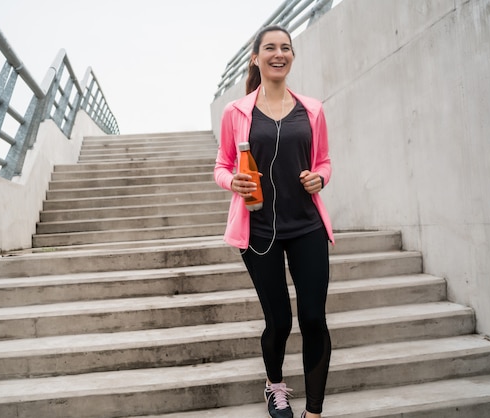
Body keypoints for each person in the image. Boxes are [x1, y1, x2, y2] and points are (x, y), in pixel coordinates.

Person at [214, 25, 335, 418]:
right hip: (259, 231)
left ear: (292, 57)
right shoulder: (236, 112)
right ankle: (275, 385)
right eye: (270, 48)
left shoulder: (312, 109)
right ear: (256, 57)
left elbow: (324, 162)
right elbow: (221, 165)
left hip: (307, 227)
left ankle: (314, 411)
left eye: (286, 48)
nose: (278, 53)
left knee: (314, 317)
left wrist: (321, 177)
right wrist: (231, 180)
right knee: (279, 321)